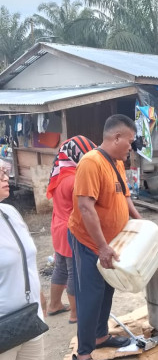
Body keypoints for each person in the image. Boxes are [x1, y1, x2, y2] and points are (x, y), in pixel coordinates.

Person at [0, 160, 72, 360]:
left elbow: (27, 259)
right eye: (0, 174)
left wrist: (40, 294)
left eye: (4, 172)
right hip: (3, 319)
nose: (6, 177)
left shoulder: (10, 213)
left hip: (28, 314)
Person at [68, 115, 142, 360]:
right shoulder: (91, 163)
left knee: (107, 287)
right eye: (130, 142)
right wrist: (101, 246)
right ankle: (83, 354)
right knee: (90, 294)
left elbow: (124, 195)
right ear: (116, 138)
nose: (131, 148)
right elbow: (86, 207)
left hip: (109, 242)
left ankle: (100, 335)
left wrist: (139, 221)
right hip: (89, 241)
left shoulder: (117, 162)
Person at [46, 136, 96, 324]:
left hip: (57, 226)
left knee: (60, 268)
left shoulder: (60, 174)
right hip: (70, 230)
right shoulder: (75, 179)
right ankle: (75, 314)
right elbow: (84, 208)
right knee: (74, 270)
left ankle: (54, 305)